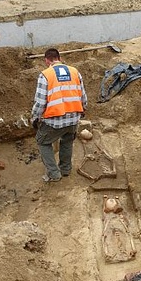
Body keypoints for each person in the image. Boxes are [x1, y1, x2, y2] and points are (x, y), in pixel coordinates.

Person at [31, 48, 87, 182]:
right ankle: (65, 169)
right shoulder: (75, 72)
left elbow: (40, 102)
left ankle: (54, 174)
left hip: (54, 120)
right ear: (59, 58)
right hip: (73, 118)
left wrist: (35, 118)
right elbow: (83, 96)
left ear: (47, 61)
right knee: (67, 141)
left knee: (42, 141)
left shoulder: (45, 75)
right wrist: (82, 110)